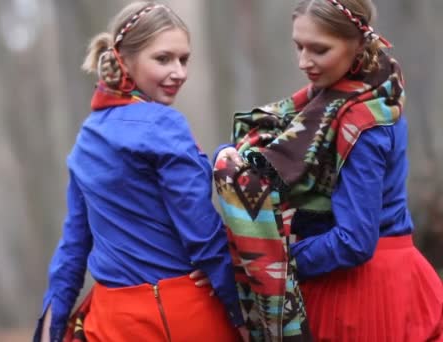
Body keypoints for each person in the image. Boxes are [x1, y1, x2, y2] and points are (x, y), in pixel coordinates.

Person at [211, 0, 443, 340]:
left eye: (319, 49)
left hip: (364, 293)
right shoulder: (361, 96)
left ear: (359, 44)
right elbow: (276, 153)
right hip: (383, 276)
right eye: (299, 46)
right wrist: (233, 157)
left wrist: (276, 262)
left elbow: (355, 240)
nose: (305, 61)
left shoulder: (361, 121)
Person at [34, 2, 248, 341]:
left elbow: (73, 247)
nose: (178, 72)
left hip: (110, 322)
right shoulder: (165, 125)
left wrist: (51, 326)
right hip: (180, 316)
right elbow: (202, 236)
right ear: (124, 60)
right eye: (163, 59)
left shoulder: (88, 135)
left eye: (184, 59)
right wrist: (240, 313)